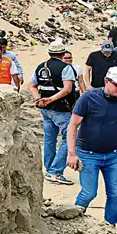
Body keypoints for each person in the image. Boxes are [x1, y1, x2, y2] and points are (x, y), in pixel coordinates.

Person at [66, 67, 117, 226]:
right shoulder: (88, 98)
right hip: (88, 153)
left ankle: (110, 227)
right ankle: (74, 223)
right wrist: (71, 153)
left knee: (115, 195)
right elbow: (73, 125)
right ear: (107, 81)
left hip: (113, 154)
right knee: (88, 193)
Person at [27, 41, 78, 185]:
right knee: (70, 136)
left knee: (50, 138)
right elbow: (67, 89)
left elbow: (31, 85)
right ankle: (56, 171)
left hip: (45, 108)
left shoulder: (41, 67)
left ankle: (49, 169)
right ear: (63, 54)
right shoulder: (66, 68)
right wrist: (51, 99)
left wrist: (39, 99)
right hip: (60, 108)